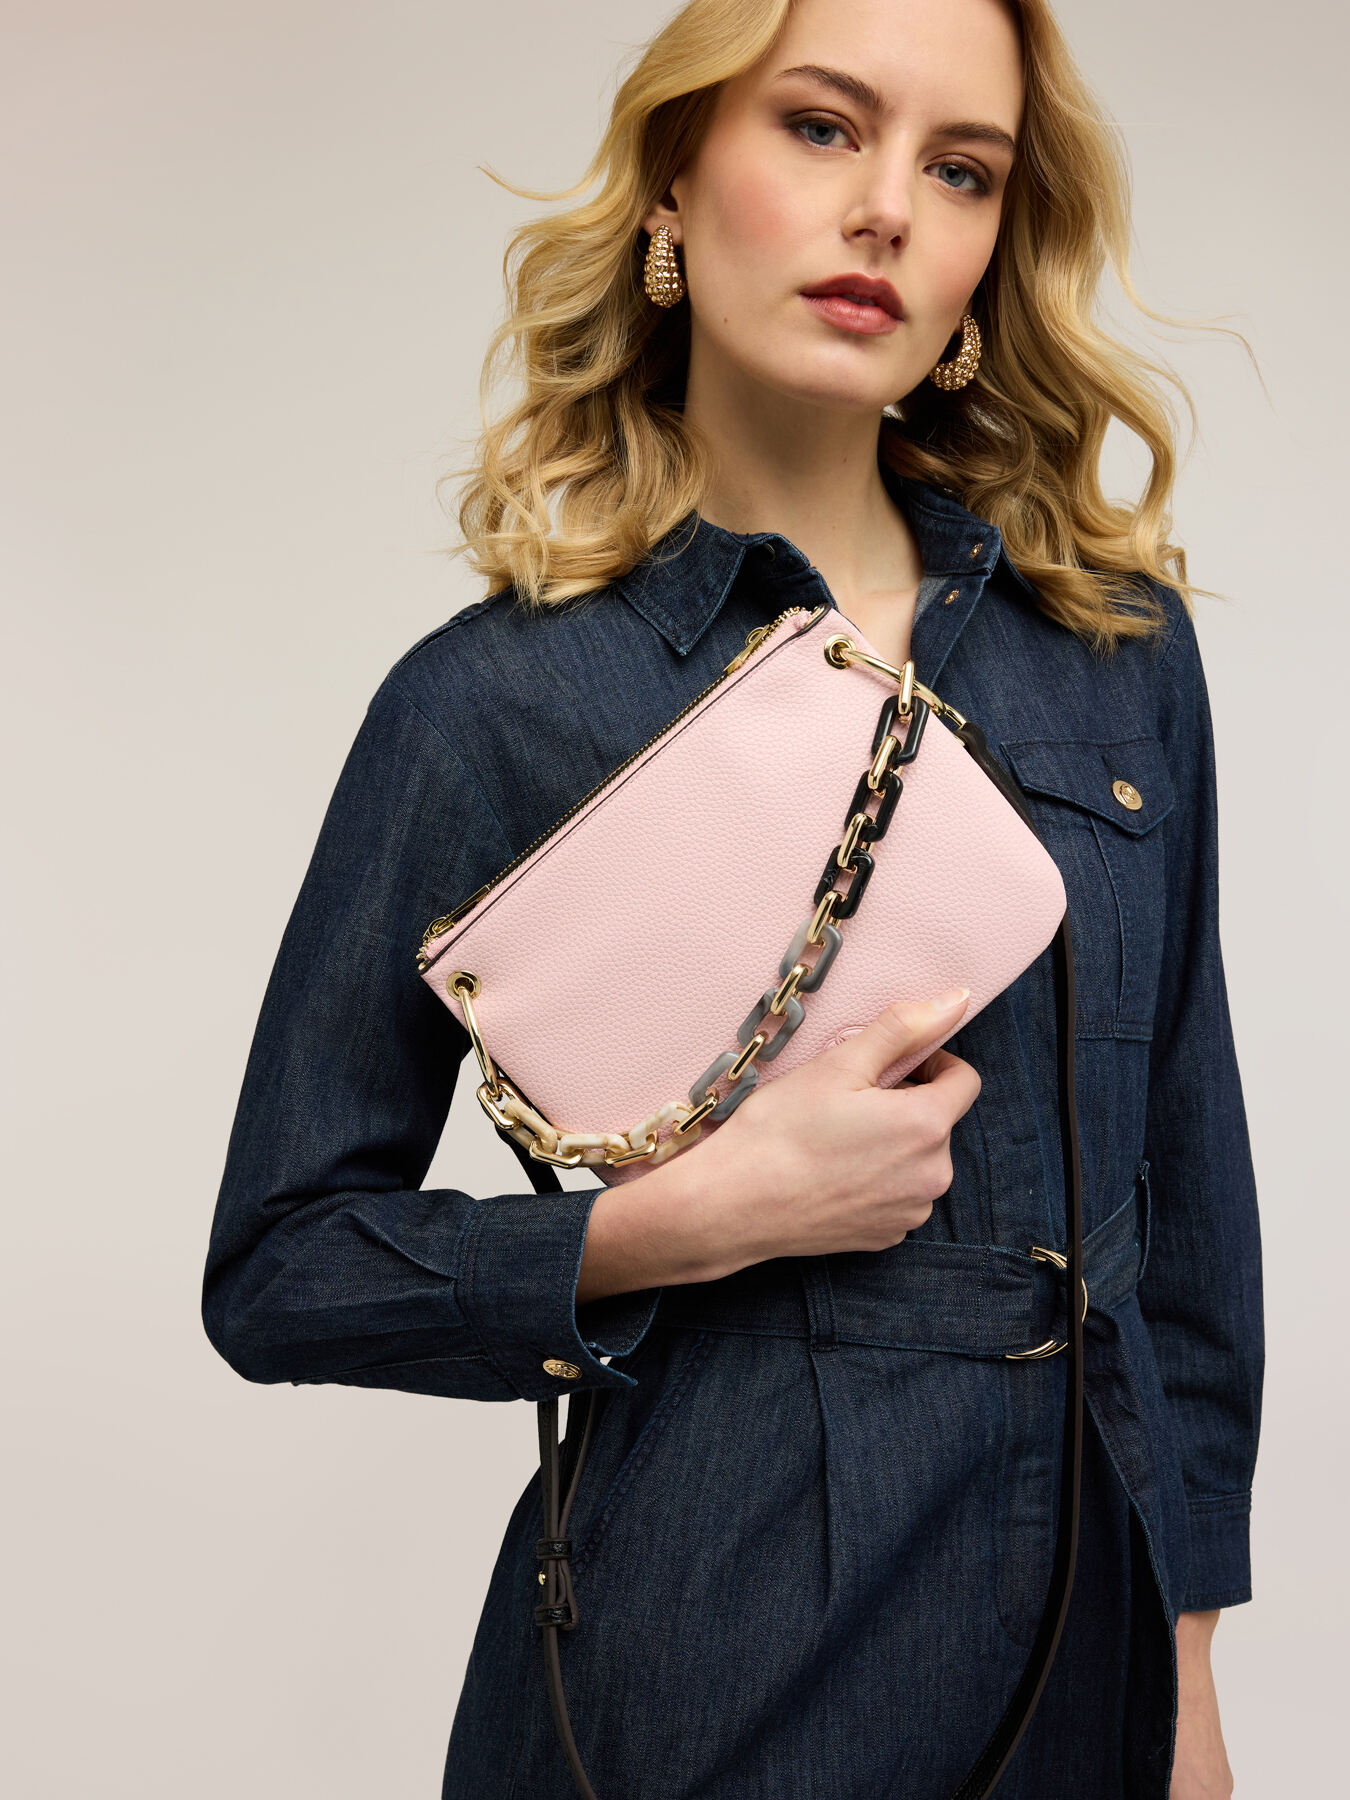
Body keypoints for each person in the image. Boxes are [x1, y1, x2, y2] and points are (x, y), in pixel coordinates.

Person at [201, 0, 1263, 1795]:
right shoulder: (494, 702)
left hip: (1086, 1665)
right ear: (672, 188)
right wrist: (668, 1227)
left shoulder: (1113, 653)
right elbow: (279, 1267)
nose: (886, 210)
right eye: (821, 127)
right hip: (707, 1662)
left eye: (959, 169)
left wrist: (1188, 1674)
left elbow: (1186, 1201)